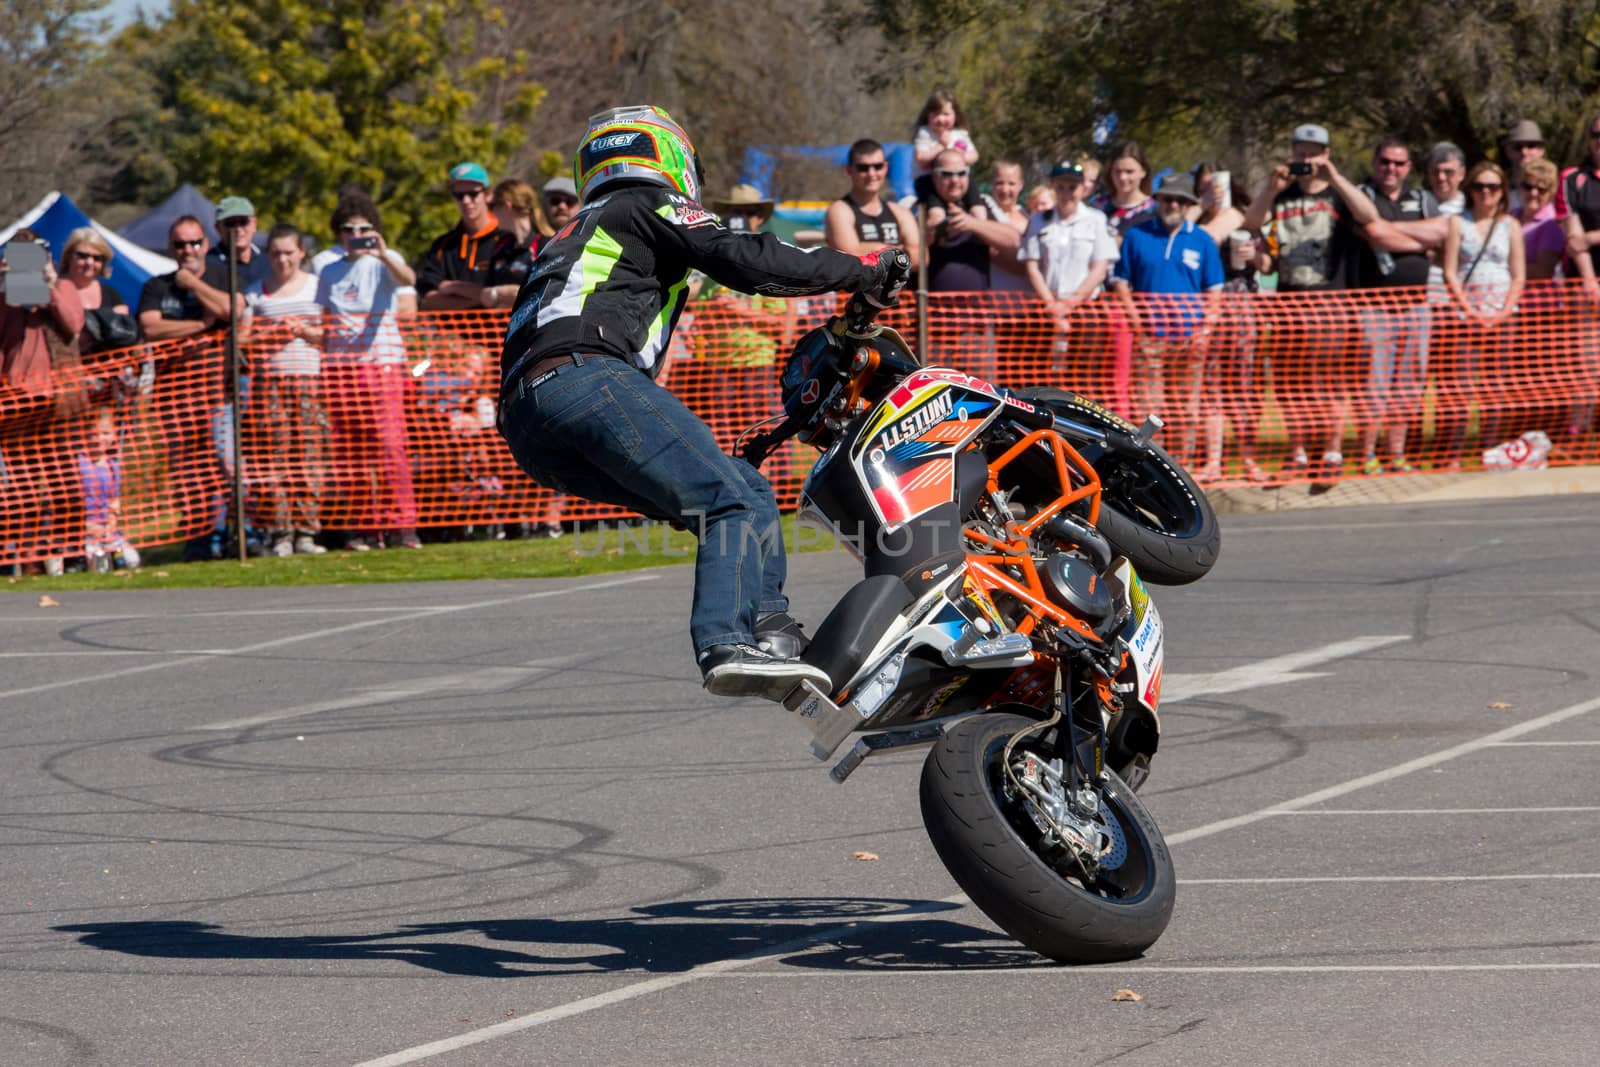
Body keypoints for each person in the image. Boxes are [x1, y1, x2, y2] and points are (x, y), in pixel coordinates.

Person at [496, 104, 906, 699]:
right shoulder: (644, 200)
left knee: (745, 486)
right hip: (587, 376)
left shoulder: (578, 226)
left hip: (529, 421)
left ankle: (772, 632)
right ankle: (726, 642)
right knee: (727, 501)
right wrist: (859, 269)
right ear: (669, 155)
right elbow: (746, 259)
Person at [1242, 122, 1380, 485]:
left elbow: (1369, 216)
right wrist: (1270, 189)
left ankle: (1332, 452)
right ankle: (1298, 452)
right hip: (1289, 303)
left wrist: (1334, 177)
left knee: (1327, 381)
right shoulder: (1284, 196)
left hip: (1330, 303)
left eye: (1314, 152)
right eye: (1301, 152)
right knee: (1290, 383)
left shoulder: (1338, 196)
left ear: (1326, 154)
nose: (1306, 159)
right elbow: (1252, 222)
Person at [317, 193, 422, 550]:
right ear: (338, 233)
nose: (356, 234)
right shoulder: (329, 271)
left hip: (381, 364)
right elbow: (326, 323)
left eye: (364, 228)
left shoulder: (385, 262)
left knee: (390, 447)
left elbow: (409, 278)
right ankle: (366, 527)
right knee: (352, 452)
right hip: (340, 370)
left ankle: (402, 526)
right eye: (349, 229)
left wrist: (382, 252)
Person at [137, 216, 240, 560]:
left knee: (227, 465)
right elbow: (151, 328)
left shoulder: (222, 277)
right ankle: (200, 539)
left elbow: (232, 311)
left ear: (206, 245)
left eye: (194, 243)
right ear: (170, 248)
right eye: (180, 244)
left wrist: (194, 286)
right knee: (187, 472)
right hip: (174, 399)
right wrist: (199, 325)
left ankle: (238, 535)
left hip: (218, 394)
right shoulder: (157, 287)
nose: (187, 250)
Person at [1108, 175, 1225, 474]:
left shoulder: (1202, 240)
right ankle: (1154, 469)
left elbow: (1214, 291)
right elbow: (1121, 283)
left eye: (1180, 200)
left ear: (1188, 205)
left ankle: (1183, 467)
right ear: (1158, 200)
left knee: (1188, 408)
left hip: (1191, 340)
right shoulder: (1137, 235)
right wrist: (1136, 323)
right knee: (1150, 409)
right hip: (1150, 339)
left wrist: (1205, 330)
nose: (1173, 204)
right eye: (1168, 198)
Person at [240, 223, 330, 556]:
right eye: (276, 253)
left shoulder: (317, 288)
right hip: (269, 384)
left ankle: (306, 531)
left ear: (301, 253)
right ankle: (281, 532)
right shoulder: (256, 293)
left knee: (308, 456)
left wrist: (304, 331)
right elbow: (243, 339)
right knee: (272, 459)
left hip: (309, 381)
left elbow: (332, 334)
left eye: (288, 253)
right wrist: (274, 333)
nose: (282, 260)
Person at [1352, 138, 1433, 475]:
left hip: (1416, 305)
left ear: (1408, 168)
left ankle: (1395, 454)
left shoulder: (1421, 199)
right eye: (1385, 162)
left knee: (1409, 384)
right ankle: (1367, 453)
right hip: (1376, 307)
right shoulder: (1362, 196)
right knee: (1375, 384)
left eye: (1399, 163)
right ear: (1375, 163)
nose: (1391, 169)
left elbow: (1442, 234)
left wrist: (1389, 230)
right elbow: (1372, 233)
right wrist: (1416, 238)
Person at [1440, 161, 1524, 468]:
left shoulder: (1510, 225)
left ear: (1502, 191)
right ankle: (1454, 453)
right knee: (1461, 387)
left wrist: (1502, 312)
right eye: (1479, 187)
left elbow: (1518, 274)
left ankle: (1489, 449)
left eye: (1492, 187)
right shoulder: (1456, 223)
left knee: (1495, 386)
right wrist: (1468, 310)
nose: (1485, 193)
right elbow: (1450, 271)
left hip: (1503, 316)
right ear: (1470, 190)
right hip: (1466, 317)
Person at [1019, 161, 1118, 388]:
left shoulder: (1096, 219)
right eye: (1061, 187)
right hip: (1047, 307)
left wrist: (1069, 305)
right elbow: (1032, 265)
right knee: (1040, 375)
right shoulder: (1039, 219)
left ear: (1082, 189)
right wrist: (1052, 306)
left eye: (1072, 187)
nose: (1066, 193)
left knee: (1083, 379)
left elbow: (1099, 268)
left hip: (1084, 309)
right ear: (1053, 187)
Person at [416, 162, 522, 311]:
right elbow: (427, 300)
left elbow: (516, 296)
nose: (466, 201)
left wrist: (455, 288)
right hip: (451, 334)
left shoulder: (509, 240)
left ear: (488, 195)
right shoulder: (443, 246)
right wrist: (487, 296)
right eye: (459, 196)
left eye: (473, 194)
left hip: (502, 333)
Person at [824, 139, 922, 266]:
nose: (871, 174)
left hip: (899, 286)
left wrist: (871, 248)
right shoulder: (839, 211)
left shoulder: (900, 212)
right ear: (849, 170)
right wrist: (900, 250)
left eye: (878, 166)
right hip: (858, 286)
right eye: (863, 168)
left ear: (886, 167)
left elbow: (920, 258)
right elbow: (852, 254)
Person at [77, 407, 140, 571]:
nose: (99, 439)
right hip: (84, 532)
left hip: (108, 531)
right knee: (99, 566)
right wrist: (89, 526)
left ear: (113, 435)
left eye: (105, 433)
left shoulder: (113, 467)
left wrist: (110, 525)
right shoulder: (79, 463)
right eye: (94, 434)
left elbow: (114, 502)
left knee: (132, 561)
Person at [208, 196, 270, 291]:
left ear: (254, 224)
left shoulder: (270, 259)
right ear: (218, 228)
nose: (238, 229)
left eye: (243, 221)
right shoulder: (207, 264)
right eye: (230, 223)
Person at [1502, 120, 1546, 214]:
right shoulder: (1496, 188)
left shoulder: (1555, 188)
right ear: (1507, 151)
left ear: (1541, 150)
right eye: (1518, 147)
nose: (1524, 152)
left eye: (1531, 146)